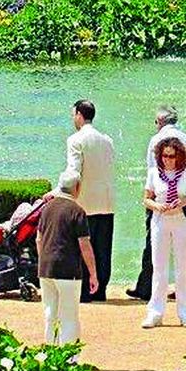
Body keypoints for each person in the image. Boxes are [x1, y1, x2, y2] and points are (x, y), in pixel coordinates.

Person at [127, 107, 186, 300]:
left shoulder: (156, 140)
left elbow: (153, 170)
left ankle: (146, 287)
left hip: (160, 200)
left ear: (160, 121)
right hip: (185, 197)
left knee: (154, 244)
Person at [143, 136, 186, 329]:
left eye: (172, 156)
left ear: (179, 156)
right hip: (160, 221)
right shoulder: (154, 173)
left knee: (183, 269)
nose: (168, 159)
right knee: (159, 268)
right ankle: (155, 312)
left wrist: (184, 201)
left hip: (182, 222)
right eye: (164, 156)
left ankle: (185, 313)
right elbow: (146, 199)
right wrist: (158, 206)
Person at [38, 169, 99, 343]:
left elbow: (39, 239)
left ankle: (51, 352)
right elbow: (84, 245)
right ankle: (69, 358)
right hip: (67, 269)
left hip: (46, 269)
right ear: (77, 187)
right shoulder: (77, 211)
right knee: (69, 316)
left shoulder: (47, 208)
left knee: (50, 313)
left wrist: (43, 260)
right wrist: (93, 273)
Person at [64, 99, 115, 302]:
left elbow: (73, 172)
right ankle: (101, 290)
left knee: (84, 246)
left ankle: (86, 290)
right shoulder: (107, 140)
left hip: (84, 201)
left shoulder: (75, 140)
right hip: (107, 200)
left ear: (79, 114)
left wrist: (61, 192)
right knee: (103, 247)